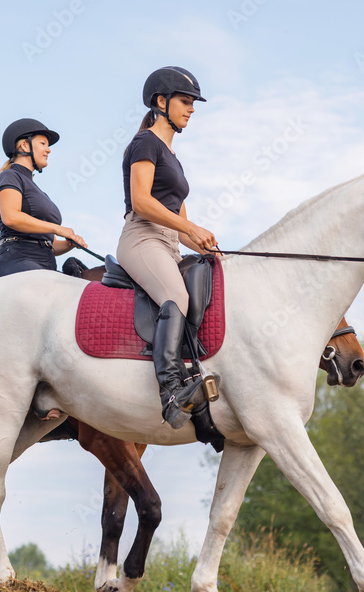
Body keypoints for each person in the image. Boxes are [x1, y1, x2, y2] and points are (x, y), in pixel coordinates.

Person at [116, 66, 217, 429]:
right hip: (142, 238)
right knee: (177, 295)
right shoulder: (145, 143)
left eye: (193, 104)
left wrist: (208, 246)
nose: (191, 109)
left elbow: (182, 224)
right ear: (162, 102)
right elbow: (142, 201)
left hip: (168, 242)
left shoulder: (173, 158)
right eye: (185, 102)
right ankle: (171, 392)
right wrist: (190, 227)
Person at [0, 118, 87, 277]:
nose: (49, 150)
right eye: (43, 144)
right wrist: (58, 228)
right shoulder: (10, 176)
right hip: (18, 259)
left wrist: (69, 244)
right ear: (24, 145)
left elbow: (51, 244)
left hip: (46, 261)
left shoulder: (40, 193)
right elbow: (10, 217)